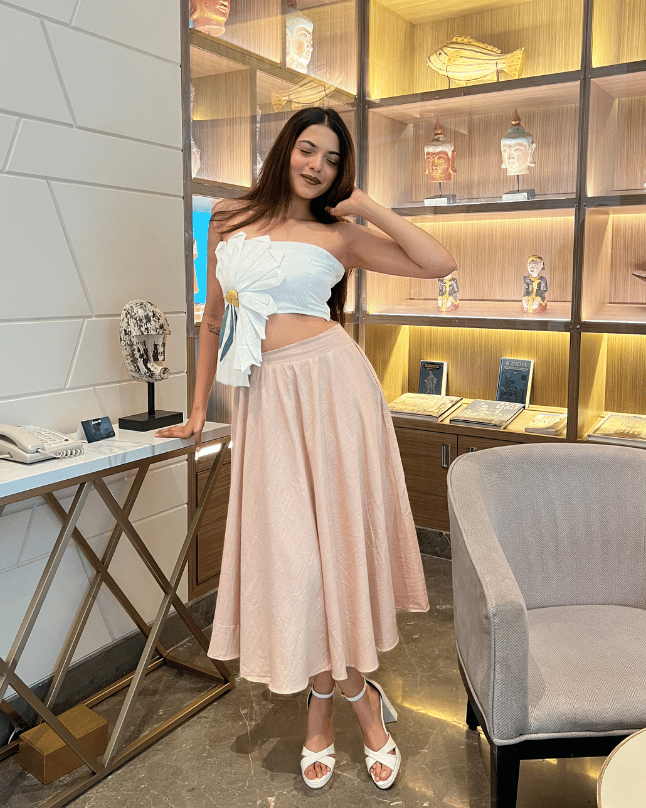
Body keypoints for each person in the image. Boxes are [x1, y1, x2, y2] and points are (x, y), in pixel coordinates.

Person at [157, 106, 456, 790]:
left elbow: (440, 263)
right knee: (297, 566)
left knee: (332, 558)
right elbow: (212, 321)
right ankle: (357, 697)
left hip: (333, 391)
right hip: (264, 401)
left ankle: (333, 711)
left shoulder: (342, 235)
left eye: (330, 157)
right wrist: (200, 409)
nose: (316, 164)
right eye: (307, 148)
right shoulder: (228, 217)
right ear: (285, 148)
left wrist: (369, 206)